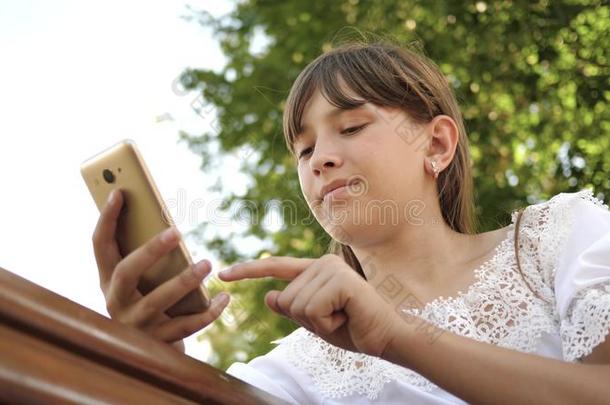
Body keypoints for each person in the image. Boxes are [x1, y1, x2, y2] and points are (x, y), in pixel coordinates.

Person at [92, 41, 610, 404]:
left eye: (352, 126)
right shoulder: (295, 368)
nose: (320, 159)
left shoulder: (559, 238)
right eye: (304, 149)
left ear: (436, 143)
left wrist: (395, 336)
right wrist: (143, 361)